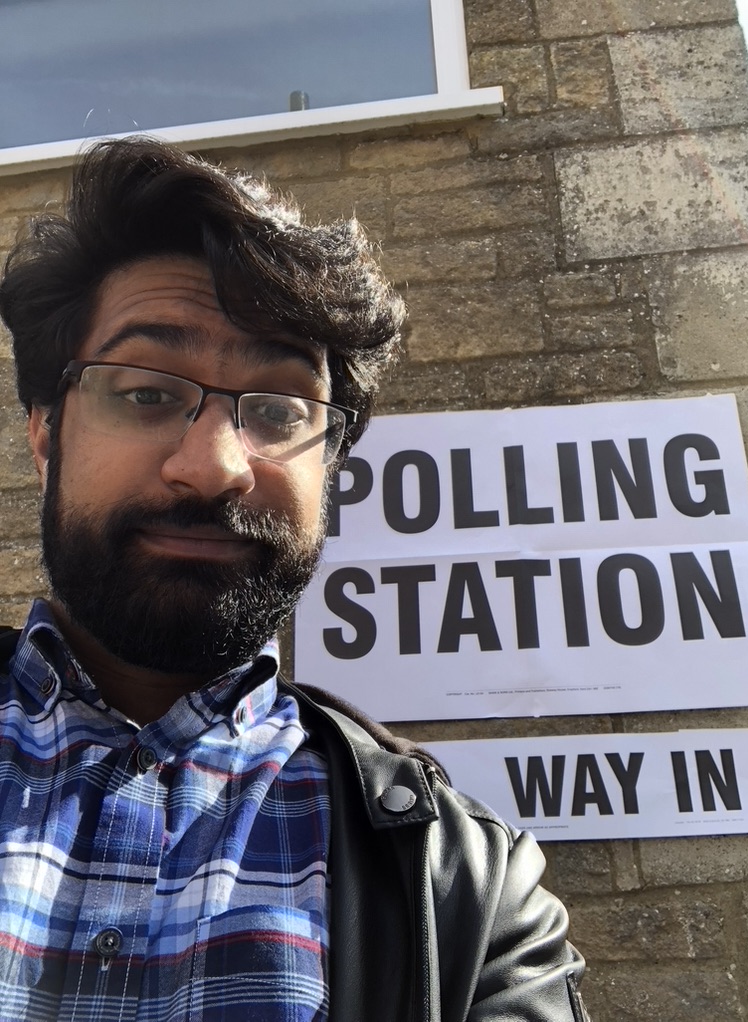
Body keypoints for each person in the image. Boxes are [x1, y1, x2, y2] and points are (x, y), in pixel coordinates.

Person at [0, 136, 590, 1022]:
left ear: (332, 465)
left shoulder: (469, 888)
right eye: (147, 394)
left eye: (278, 410)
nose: (215, 467)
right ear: (46, 431)